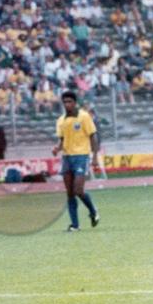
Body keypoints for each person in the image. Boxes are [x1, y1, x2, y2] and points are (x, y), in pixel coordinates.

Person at [52, 90, 100, 231]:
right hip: (67, 157)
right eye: (65, 102)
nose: (67, 104)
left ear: (75, 103)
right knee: (70, 193)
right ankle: (75, 225)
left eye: (70, 102)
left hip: (81, 156)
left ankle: (93, 210)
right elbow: (62, 140)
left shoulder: (84, 117)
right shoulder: (60, 120)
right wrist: (57, 148)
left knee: (78, 189)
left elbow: (93, 136)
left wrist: (95, 156)